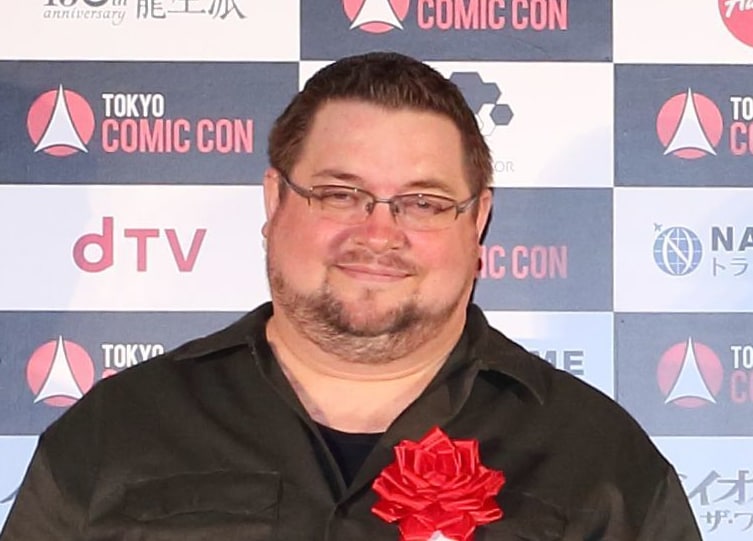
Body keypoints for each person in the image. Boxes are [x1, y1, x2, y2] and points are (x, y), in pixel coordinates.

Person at [1, 52, 702, 541]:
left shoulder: (598, 461)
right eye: (339, 193)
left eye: (423, 202)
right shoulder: (116, 431)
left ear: (478, 220)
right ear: (275, 200)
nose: (378, 232)